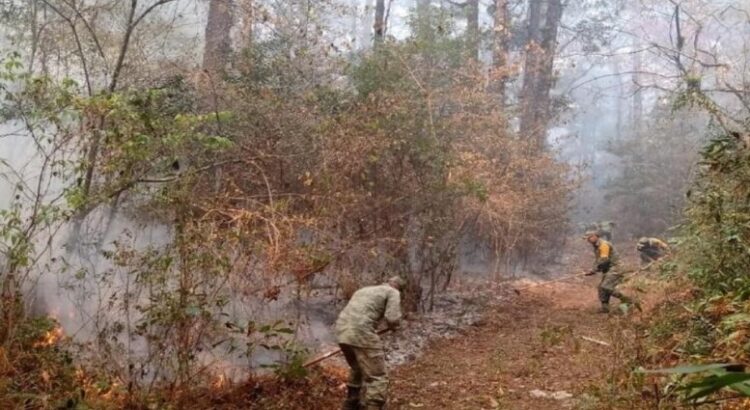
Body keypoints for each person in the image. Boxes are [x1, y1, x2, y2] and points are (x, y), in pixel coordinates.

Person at [335, 276, 404, 410]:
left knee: (357, 368)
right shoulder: (393, 292)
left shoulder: (364, 290)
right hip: (361, 332)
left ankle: (350, 404)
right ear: (398, 287)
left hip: (342, 331)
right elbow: (393, 318)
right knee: (378, 376)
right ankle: (373, 406)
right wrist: (395, 326)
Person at [583, 231, 633, 313]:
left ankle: (628, 300)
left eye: (589, 238)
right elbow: (598, 261)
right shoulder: (596, 246)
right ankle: (605, 308)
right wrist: (593, 270)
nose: (588, 240)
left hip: (616, 268)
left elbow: (604, 260)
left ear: (595, 236)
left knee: (606, 287)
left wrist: (594, 270)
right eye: (587, 238)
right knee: (601, 288)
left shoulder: (604, 245)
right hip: (609, 268)